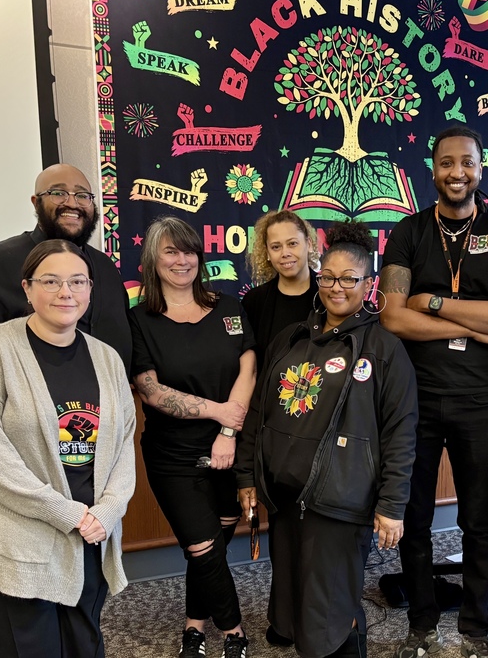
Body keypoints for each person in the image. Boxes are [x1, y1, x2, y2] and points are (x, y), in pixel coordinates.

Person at [236, 221, 418, 658]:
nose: (337, 287)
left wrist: (392, 505)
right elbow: (259, 412)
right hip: (286, 495)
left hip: (341, 502)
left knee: (330, 604)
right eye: (329, 277)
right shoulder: (290, 338)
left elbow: (401, 432)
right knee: (295, 595)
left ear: (369, 284)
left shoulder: (384, 349)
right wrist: (247, 476)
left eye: (349, 279)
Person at [0, 239, 137, 658]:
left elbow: (124, 442)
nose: (65, 292)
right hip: (14, 534)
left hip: (87, 532)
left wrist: (108, 510)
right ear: (28, 289)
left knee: (83, 645)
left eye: (77, 282)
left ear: (90, 290)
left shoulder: (106, 358)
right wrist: (65, 512)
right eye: (50, 281)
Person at [380, 125, 488, 658]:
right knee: (415, 517)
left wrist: (434, 302)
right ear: (433, 168)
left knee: (477, 520)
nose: (456, 172)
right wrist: (474, 325)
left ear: (482, 168)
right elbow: (393, 318)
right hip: (413, 398)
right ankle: (421, 625)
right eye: (446, 162)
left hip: (477, 399)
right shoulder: (409, 231)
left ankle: (475, 630)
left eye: (467, 162)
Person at [0, 163, 132, 478]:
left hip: (99, 453)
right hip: (17, 456)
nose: (72, 202)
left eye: (83, 195)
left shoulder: (105, 270)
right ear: (36, 202)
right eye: (58, 192)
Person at [128, 216, 256, 658]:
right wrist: (219, 411)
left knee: (211, 550)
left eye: (188, 251)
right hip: (173, 456)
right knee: (202, 547)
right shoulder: (139, 320)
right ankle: (235, 633)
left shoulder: (229, 308)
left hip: (231, 450)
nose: (181, 260)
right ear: (153, 260)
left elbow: (248, 368)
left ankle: (194, 627)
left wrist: (227, 431)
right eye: (170, 251)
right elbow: (151, 390)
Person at [242, 209, 320, 365]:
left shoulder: (329, 294)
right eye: (276, 247)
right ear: (267, 253)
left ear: (309, 244)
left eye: (292, 244)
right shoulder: (254, 301)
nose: (285, 253)